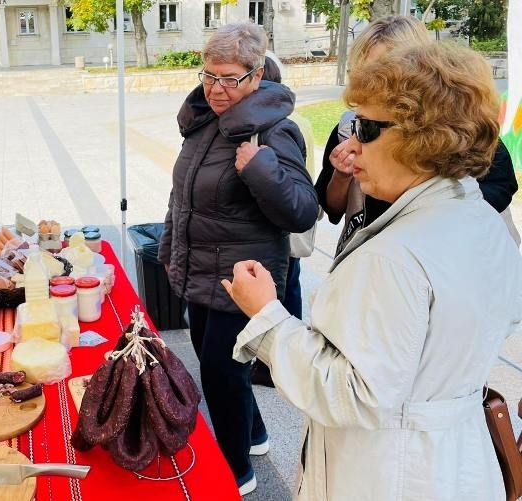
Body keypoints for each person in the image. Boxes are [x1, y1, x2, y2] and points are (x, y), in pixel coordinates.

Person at [223, 42, 522, 500]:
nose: (351, 144)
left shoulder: (396, 255)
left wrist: (267, 316)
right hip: (457, 464)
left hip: (387, 474)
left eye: (365, 127)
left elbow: (353, 394)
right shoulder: (479, 218)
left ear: (422, 135)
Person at [157, 22, 318, 495]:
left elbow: (303, 210)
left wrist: (261, 168)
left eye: (229, 78)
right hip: (201, 270)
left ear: (255, 75)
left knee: (221, 375)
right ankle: (256, 435)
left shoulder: (275, 130)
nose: (217, 88)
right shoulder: (204, 122)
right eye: (209, 76)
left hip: (243, 280)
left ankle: (234, 473)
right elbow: (180, 199)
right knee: (222, 367)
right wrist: (170, 251)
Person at [315, 15, 518, 256]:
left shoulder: (459, 131)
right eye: (365, 70)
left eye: (388, 70)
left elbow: (497, 191)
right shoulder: (351, 128)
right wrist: (342, 174)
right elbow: (332, 208)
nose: (373, 82)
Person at [250, 54, 317, 387]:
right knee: (291, 286)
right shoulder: (299, 119)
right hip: (296, 224)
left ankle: (274, 363)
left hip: (282, 223)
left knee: (278, 293)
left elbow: (278, 180)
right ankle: (286, 359)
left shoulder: (275, 126)